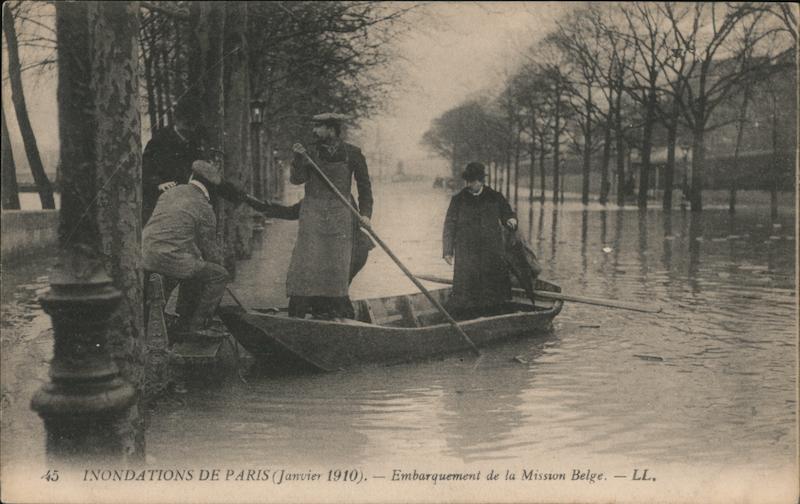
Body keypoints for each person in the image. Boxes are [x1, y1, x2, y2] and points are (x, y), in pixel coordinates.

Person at [286, 113, 374, 319]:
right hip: (313, 217)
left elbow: (365, 188)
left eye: (318, 127)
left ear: (332, 129)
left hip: (340, 217)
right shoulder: (309, 154)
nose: (314, 131)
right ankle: (298, 313)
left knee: (337, 268)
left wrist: (366, 215)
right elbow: (297, 180)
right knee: (306, 265)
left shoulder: (353, 154)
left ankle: (334, 311)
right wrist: (298, 159)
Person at [142, 160, 228, 340]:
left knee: (192, 267)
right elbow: (211, 251)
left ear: (191, 177)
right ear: (211, 189)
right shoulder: (205, 208)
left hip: (145, 253)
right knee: (219, 274)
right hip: (172, 260)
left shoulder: (170, 192)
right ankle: (197, 327)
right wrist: (220, 263)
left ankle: (173, 322)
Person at [442, 162, 517, 318]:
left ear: (481, 181)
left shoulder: (495, 197)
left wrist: (511, 220)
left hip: (491, 251)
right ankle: (467, 315)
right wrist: (447, 251)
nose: (470, 184)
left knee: (493, 288)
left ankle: (495, 314)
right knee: (466, 289)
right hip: (466, 252)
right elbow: (449, 225)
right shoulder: (458, 200)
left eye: (473, 181)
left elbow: (507, 213)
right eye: (468, 181)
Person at [142, 97, 206, 224]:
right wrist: (158, 184)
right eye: (187, 124)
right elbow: (145, 169)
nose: (190, 130)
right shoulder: (159, 141)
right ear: (176, 120)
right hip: (161, 204)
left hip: (187, 206)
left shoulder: (195, 143)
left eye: (193, 124)